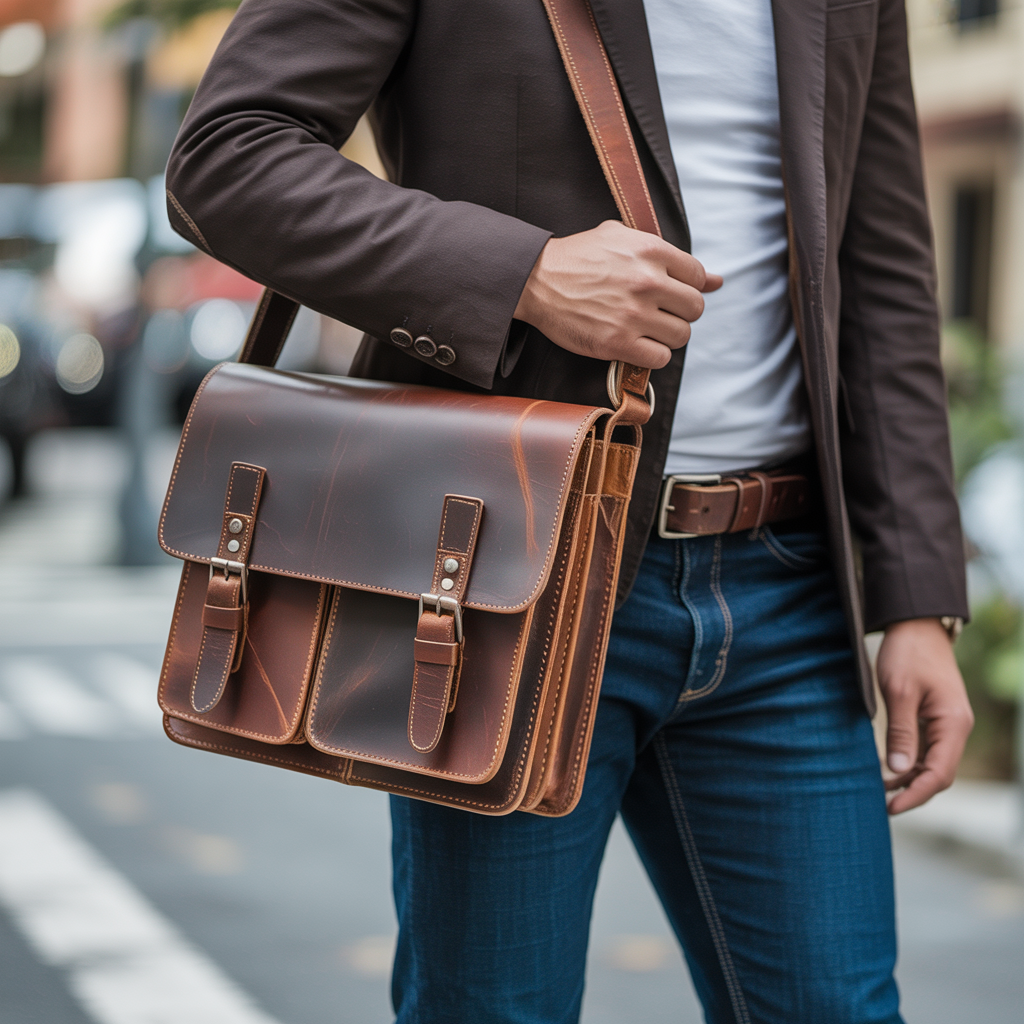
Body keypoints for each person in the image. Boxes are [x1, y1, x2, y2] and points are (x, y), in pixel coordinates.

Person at [165, 1, 973, 1021]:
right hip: (511, 574)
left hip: (788, 590)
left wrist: (915, 600)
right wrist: (524, 276)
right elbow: (229, 157)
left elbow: (880, 259)